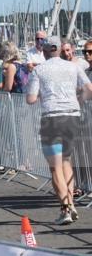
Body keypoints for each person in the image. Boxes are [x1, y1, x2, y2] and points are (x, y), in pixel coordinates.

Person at [25, 35, 92, 225]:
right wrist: (78, 99)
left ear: (45, 51)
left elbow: (30, 99)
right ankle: (71, 203)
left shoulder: (39, 70)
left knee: (55, 167)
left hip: (51, 119)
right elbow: (89, 89)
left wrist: (43, 95)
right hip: (72, 117)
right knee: (66, 162)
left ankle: (66, 209)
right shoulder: (73, 67)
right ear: (61, 50)